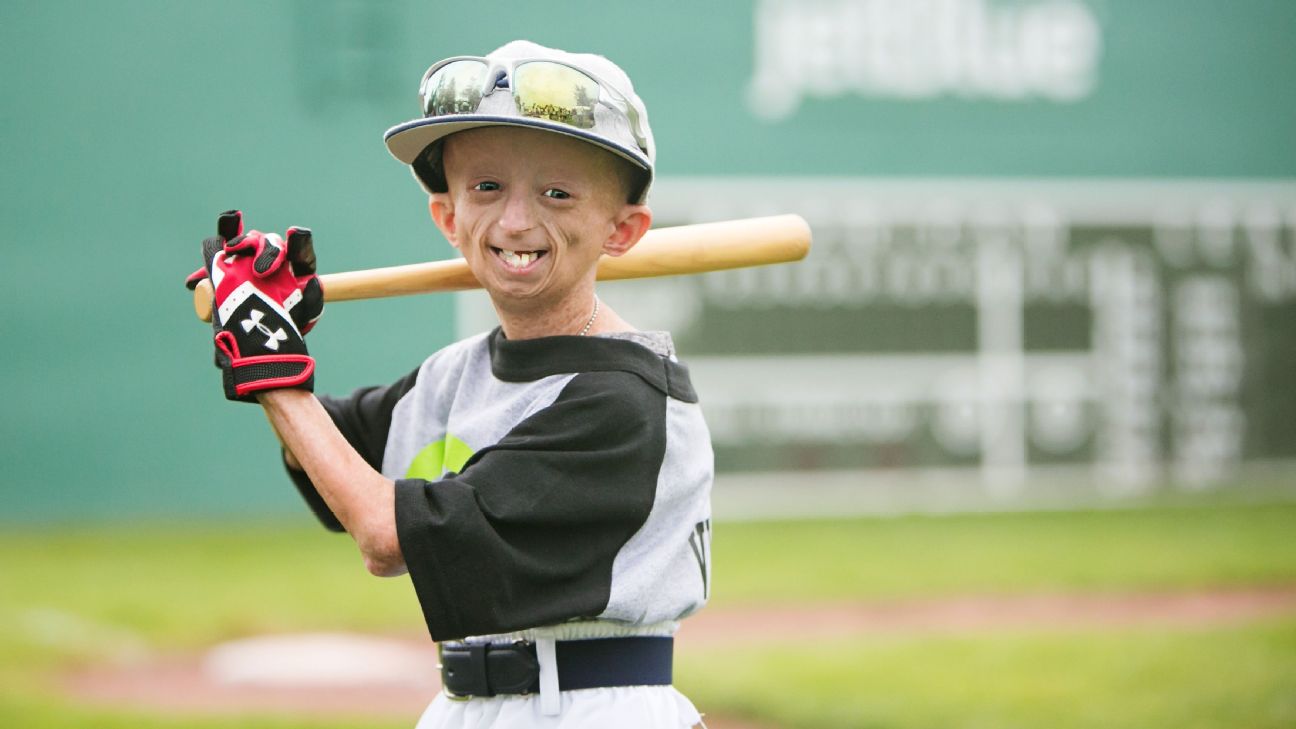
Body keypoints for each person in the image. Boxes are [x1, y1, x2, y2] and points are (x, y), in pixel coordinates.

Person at [189, 40, 714, 728]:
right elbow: (324, 458)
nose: (516, 221)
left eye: (557, 192)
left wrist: (272, 365)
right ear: (448, 218)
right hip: (470, 706)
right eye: (486, 187)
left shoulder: (623, 397)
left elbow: (386, 536)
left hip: (593, 705)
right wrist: (273, 334)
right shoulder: (453, 374)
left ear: (622, 229)